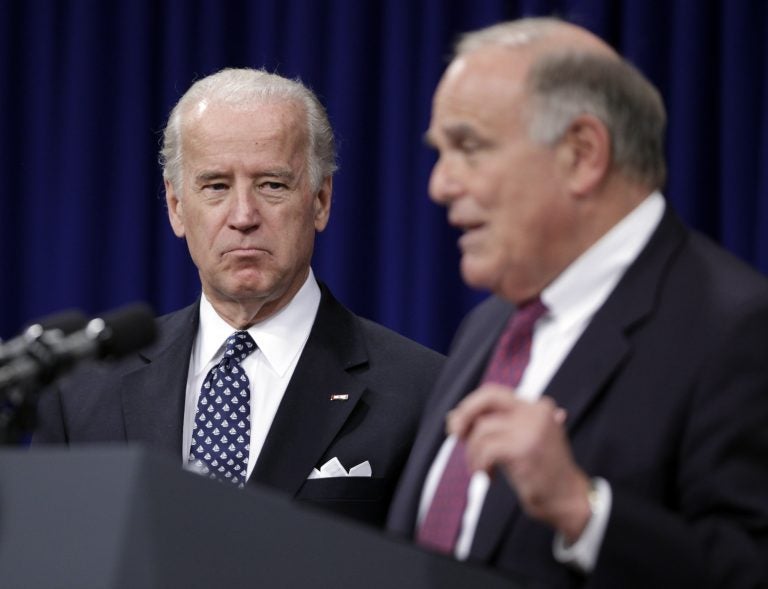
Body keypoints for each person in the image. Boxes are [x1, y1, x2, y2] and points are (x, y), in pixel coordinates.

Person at [387, 17, 768, 588]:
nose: (439, 185)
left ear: (582, 154)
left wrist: (584, 511)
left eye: (469, 147)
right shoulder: (488, 325)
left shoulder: (736, 329)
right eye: (440, 153)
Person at [32, 67, 444, 528]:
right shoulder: (82, 394)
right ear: (176, 206)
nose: (244, 216)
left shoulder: (423, 393)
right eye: (216, 186)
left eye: (272, 184)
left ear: (321, 200)